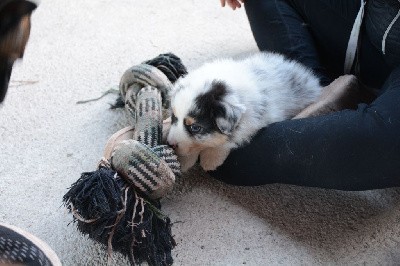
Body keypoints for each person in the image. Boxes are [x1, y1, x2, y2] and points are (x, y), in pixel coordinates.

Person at [210, 0, 400, 190]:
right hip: (378, 24)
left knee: (383, 144)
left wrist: (208, 141)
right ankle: (320, 94)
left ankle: (222, 149)